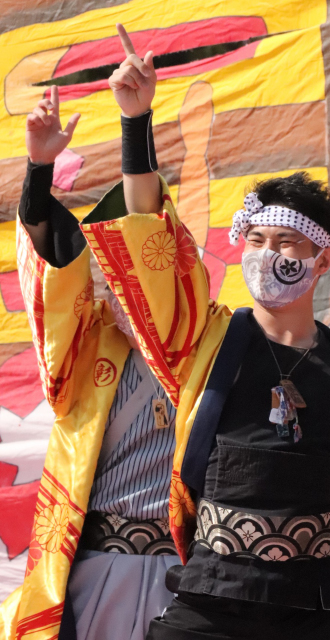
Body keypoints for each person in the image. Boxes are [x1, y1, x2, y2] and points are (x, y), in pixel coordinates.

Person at [76, 24, 330, 639]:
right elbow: (151, 243)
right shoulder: (205, 343)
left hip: (321, 598)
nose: (267, 255)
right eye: (256, 241)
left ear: (322, 259)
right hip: (217, 596)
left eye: (286, 243)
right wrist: (135, 122)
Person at [0, 81, 180, 640]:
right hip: (100, 567)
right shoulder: (86, 345)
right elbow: (52, 275)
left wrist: (136, 122)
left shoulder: (209, 348)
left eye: (140, 272)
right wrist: (38, 170)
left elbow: (148, 221)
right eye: (112, 274)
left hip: (191, 574)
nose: (124, 286)